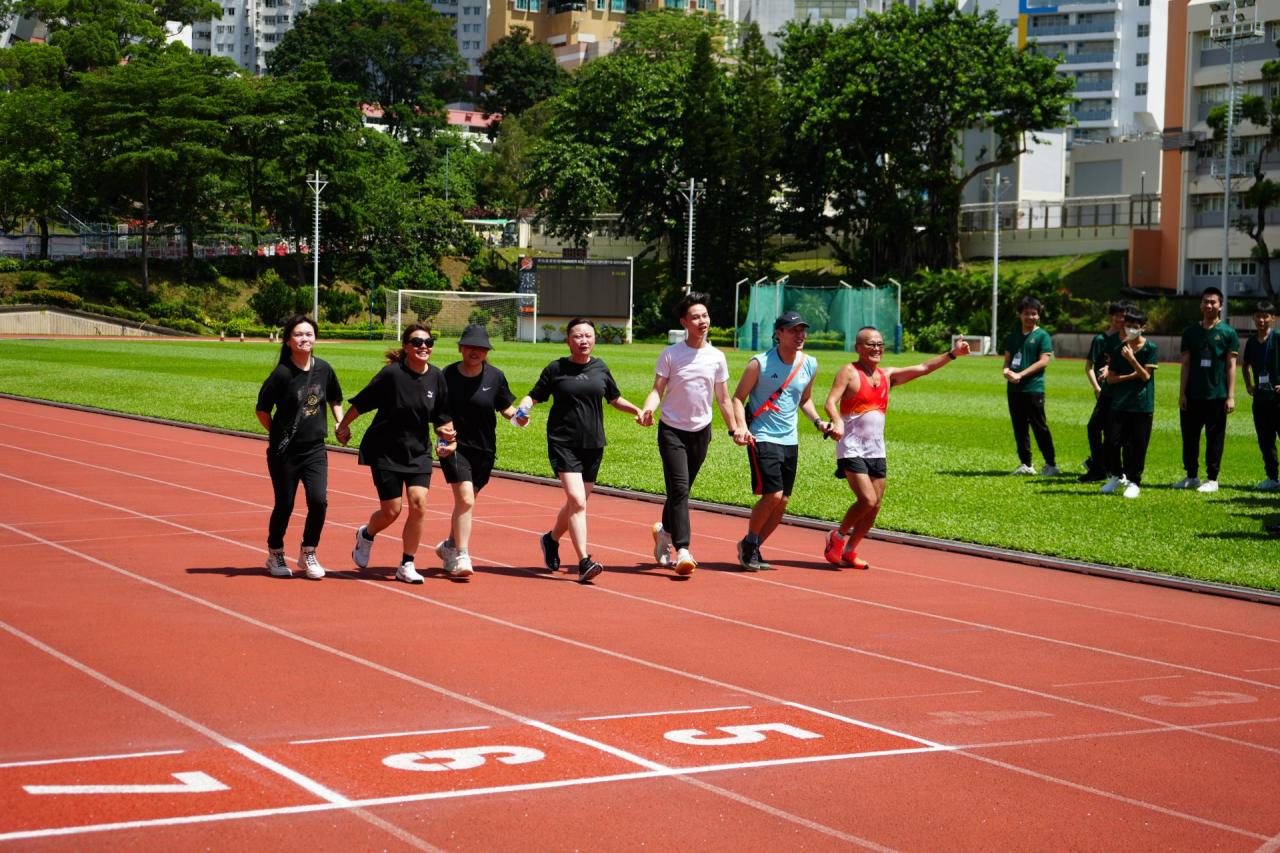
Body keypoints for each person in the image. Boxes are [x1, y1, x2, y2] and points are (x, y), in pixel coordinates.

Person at [822, 328, 970, 569]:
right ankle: (836, 537)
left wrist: (952, 354)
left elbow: (923, 368)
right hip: (851, 447)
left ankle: (850, 551)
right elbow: (830, 401)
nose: (877, 348)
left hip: (876, 449)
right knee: (867, 499)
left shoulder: (887, 375)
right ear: (858, 347)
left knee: (875, 505)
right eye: (871, 344)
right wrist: (836, 420)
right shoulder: (849, 372)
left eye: (880, 344)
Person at [516, 317, 643, 584]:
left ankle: (550, 540)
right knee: (577, 501)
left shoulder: (601, 368)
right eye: (577, 336)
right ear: (568, 341)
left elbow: (614, 398)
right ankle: (584, 560)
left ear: (594, 339)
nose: (583, 340)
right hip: (563, 443)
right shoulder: (556, 368)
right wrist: (523, 409)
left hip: (594, 444)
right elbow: (534, 395)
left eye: (588, 335)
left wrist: (637, 410)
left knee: (577, 503)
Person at [335, 324, 455, 584]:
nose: (424, 346)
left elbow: (442, 418)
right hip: (385, 450)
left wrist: (449, 437)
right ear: (406, 346)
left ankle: (407, 564)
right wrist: (343, 426)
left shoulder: (437, 377)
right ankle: (366, 535)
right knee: (391, 511)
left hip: (418, 451)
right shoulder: (391, 374)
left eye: (428, 341)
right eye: (417, 342)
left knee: (419, 504)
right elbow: (362, 402)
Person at [638, 292, 741, 576]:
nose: (702, 321)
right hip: (672, 429)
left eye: (705, 316)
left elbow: (723, 398)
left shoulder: (717, 357)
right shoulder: (671, 354)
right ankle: (683, 548)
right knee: (680, 489)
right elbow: (657, 390)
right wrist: (648, 409)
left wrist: (734, 428)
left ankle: (664, 532)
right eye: (695, 317)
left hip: (700, 431)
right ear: (684, 322)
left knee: (678, 491)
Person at [730, 310, 829, 572]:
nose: (800, 335)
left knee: (783, 500)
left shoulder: (810, 363)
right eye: (794, 330)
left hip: (790, 439)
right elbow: (738, 398)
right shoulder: (759, 363)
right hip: (762, 435)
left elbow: (805, 399)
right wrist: (741, 427)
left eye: (803, 330)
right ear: (779, 333)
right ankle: (751, 542)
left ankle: (752, 545)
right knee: (772, 494)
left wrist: (818, 422)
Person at [255, 314, 343, 579]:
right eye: (298, 335)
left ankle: (308, 551)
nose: (304, 339)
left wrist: (341, 423)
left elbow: (335, 399)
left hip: (315, 448)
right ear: (288, 340)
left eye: (309, 334)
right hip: (285, 452)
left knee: (319, 501)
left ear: (315, 338)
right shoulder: (282, 374)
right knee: (285, 504)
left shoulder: (324, 369)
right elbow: (262, 410)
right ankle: (275, 552)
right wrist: (277, 434)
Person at [434, 324, 519, 579]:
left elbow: (506, 408)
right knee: (466, 499)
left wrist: (518, 418)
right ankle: (462, 554)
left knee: (466, 503)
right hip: (454, 446)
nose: (475, 352)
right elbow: (435, 410)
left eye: (481, 348)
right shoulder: (445, 375)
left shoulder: (495, 376)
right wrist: (442, 433)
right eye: (470, 346)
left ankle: (448, 546)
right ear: (461, 348)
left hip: (485, 449)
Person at [1175, 286, 1239, 493]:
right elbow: (1185, 364)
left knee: (1215, 438)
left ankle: (1212, 478)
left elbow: (1231, 366)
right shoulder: (1190, 332)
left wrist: (1230, 396)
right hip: (1193, 395)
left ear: (1220, 306)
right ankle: (1191, 476)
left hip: (1217, 396)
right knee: (1190, 437)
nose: (1209, 305)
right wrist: (1182, 393)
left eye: (1213, 302)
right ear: (1200, 305)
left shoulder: (1228, 333)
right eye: (1205, 301)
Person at [1100, 309, 1158, 499]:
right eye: (1128, 326)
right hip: (1120, 404)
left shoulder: (1151, 349)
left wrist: (1132, 360)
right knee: (1112, 441)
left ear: (1143, 328)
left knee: (1137, 445)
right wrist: (1128, 376)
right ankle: (1117, 476)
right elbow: (1111, 379)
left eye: (1135, 327)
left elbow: (1146, 376)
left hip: (1142, 405)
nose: (1130, 330)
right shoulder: (1119, 349)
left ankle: (1134, 481)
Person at [1002, 295, 1060, 476]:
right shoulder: (1012, 336)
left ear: (1039, 316)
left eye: (1034, 314)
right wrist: (1006, 372)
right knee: (1019, 427)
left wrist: (1020, 374)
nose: (1031, 317)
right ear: (1019, 315)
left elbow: (1044, 361)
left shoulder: (1042, 336)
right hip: (1014, 389)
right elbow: (1007, 361)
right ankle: (1026, 464)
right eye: (1027, 313)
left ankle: (1051, 465)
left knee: (1039, 427)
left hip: (1033, 388)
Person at [1080, 302, 1128, 482]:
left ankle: (1105, 467)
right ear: (1110, 317)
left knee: (1113, 433)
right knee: (1093, 427)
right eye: (1117, 315)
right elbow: (1089, 367)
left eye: (1124, 316)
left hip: (1122, 394)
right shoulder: (1100, 340)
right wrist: (1097, 388)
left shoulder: (1127, 340)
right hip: (1105, 393)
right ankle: (1099, 467)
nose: (1120, 319)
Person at [1242, 301, 1279, 492]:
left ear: (1273, 318)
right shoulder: (1251, 342)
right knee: (1265, 440)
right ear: (1253, 318)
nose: (1262, 320)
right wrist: (1249, 385)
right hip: (1261, 400)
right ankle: (1272, 478)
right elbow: (1245, 366)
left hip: (1278, 399)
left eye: (1266, 316)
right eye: (1258, 316)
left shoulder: (1278, 338)